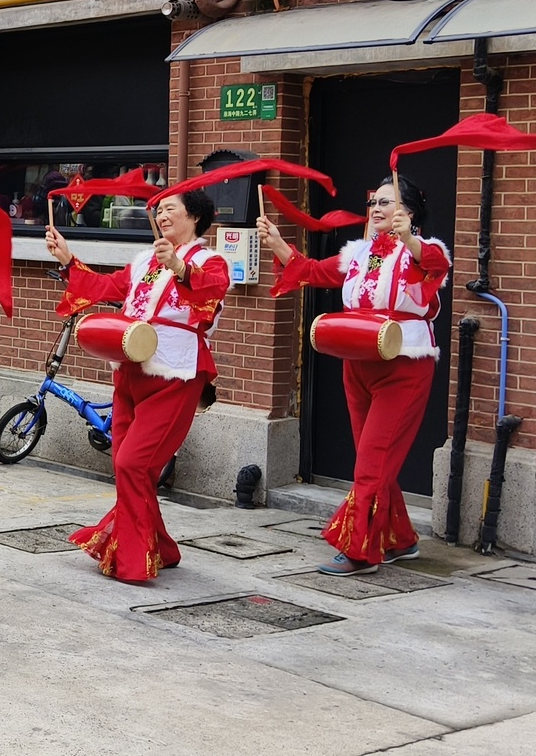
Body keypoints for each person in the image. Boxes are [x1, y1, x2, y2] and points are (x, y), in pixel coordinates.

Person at [258, 176, 450, 576]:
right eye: (373, 203)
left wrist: (409, 239)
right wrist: (277, 242)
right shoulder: (358, 253)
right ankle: (400, 539)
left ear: (408, 212)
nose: (376, 209)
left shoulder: (424, 250)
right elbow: (312, 271)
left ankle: (359, 550)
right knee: (371, 458)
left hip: (402, 367)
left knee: (372, 461)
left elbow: (433, 266)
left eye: (386, 202)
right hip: (358, 362)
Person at [44, 188, 227, 583]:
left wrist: (179, 267)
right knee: (125, 464)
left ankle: (132, 560)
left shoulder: (210, 262)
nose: (162, 217)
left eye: (171, 209)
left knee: (133, 464)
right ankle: (162, 547)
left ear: (194, 217)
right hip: (130, 369)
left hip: (175, 373)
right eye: (159, 211)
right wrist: (68, 259)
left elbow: (211, 296)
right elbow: (107, 288)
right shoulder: (144, 260)